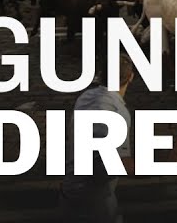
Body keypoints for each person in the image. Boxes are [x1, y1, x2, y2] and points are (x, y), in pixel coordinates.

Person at [57, 58, 137, 222]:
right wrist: (164, 164)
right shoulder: (114, 110)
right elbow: (115, 164)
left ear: (101, 76)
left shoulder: (86, 97)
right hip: (94, 201)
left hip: (71, 190)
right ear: (131, 77)